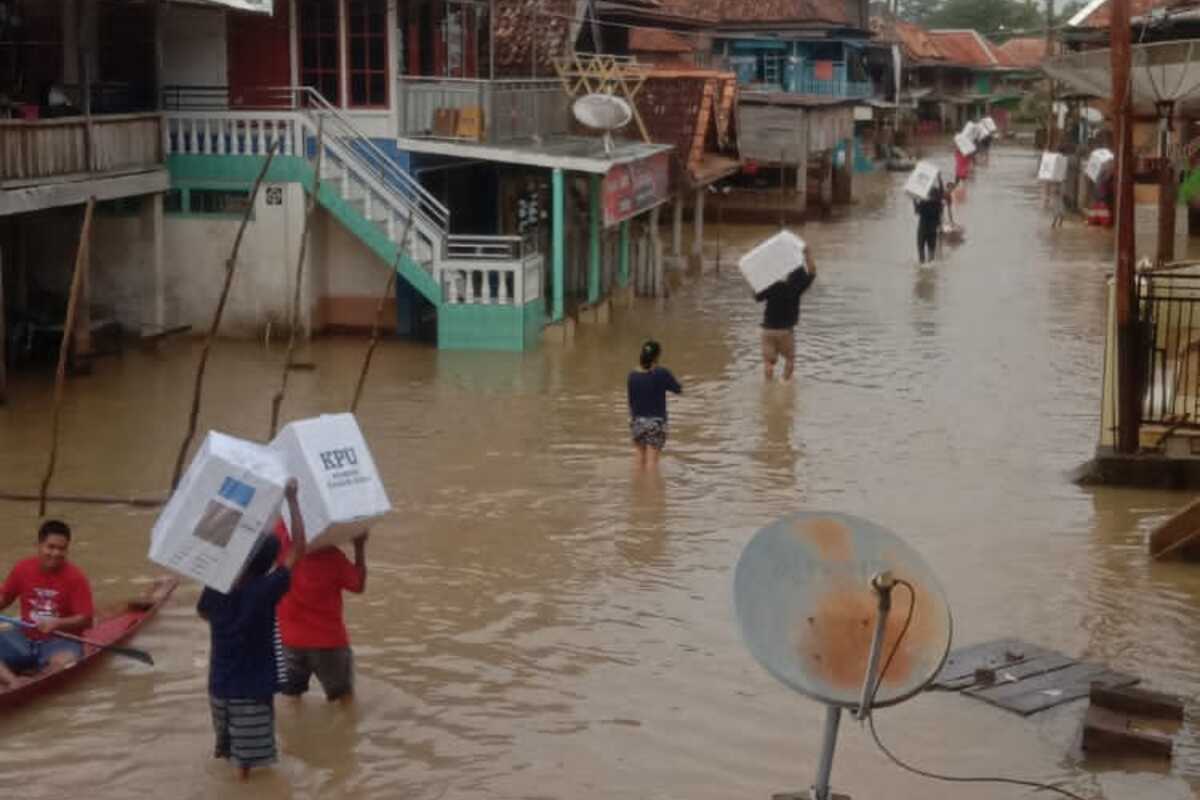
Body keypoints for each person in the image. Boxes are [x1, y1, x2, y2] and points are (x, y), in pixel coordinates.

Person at [198, 478, 307, 780]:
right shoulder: (266, 590)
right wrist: (293, 500)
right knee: (247, 768)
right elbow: (299, 547)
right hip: (251, 691)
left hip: (219, 687)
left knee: (228, 754)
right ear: (268, 564)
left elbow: (203, 612)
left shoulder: (217, 585)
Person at [274, 520, 368, 704]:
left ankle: (294, 733)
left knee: (291, 698)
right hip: (329, 642)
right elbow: (358, 585)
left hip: (289, 641)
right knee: (344, 700)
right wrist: (359, 546)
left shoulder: (283, 550)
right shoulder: (333, 558)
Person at [0, 520, 94, 688]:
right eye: (50, 547)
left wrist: (58, 623)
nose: (56, 553)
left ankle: (35, 682)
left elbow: (87, 619)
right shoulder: (22, 568)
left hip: (61, 642)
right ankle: (13, 682)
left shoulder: (76, 578)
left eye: (61, 549)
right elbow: (4, 598)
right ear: (38, 545)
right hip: (24, 638)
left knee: (66, 662)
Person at [755, 251, 818, 382]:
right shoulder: (796, 288)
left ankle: (768, 387)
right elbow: (812, 272)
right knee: (790, 359)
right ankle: (784, 384)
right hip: (786, 332)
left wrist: (757, 276)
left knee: (768, 362)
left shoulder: (771, 285)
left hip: (768, 331)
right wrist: (807, 254)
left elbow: (757, 295)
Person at [627, 340, 682, 470]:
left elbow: (631, 401)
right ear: (657, 356)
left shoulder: (632, 376)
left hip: (637, 422)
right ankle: (651, 489)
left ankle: (636, 487)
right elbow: (678, 389)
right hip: (656, 423)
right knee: (652, 461)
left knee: (639, 457)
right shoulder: (661, 373)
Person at [914, 181, 945, 264]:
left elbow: (917, 211)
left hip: (922, 230)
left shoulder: (924, 203)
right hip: (932, 231)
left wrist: (914, 199)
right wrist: (940, 179)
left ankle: (922, 266)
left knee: (921, 250)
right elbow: (942, 192)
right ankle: (930, 266)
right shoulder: (938, 204)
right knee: (931, 252)